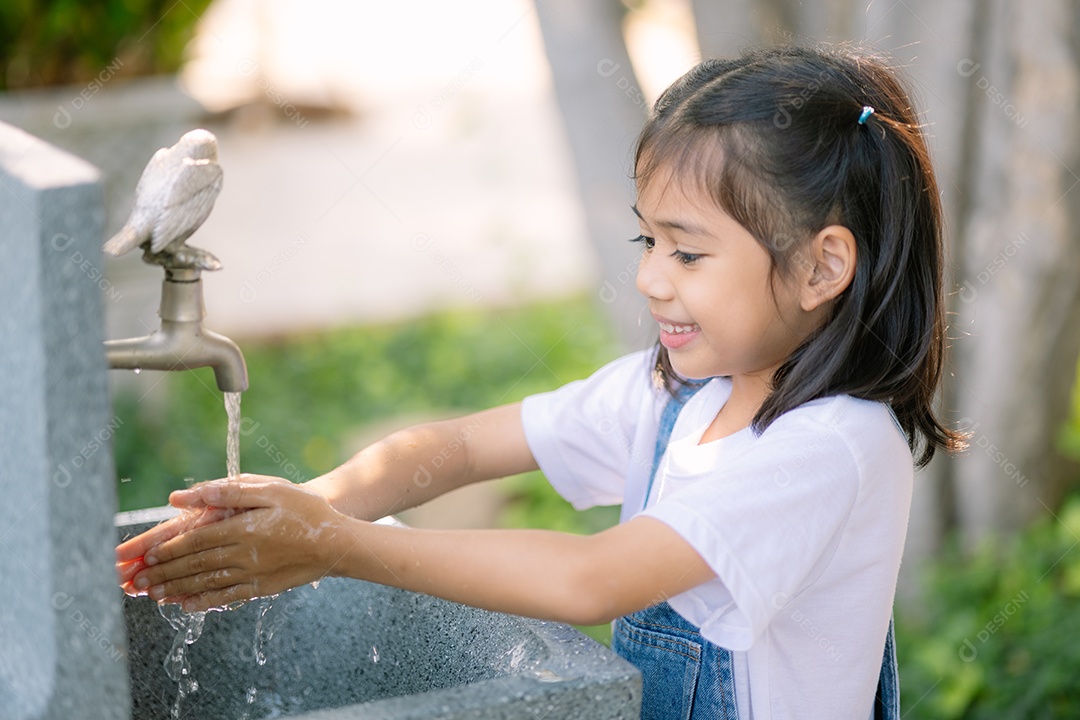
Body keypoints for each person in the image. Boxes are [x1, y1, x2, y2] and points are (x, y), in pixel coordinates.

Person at [116, 43, 965, 719]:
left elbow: (590, 580)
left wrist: (333, 546)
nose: (651, 280)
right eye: (648, 244)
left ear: (823, 267)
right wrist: (311, 505)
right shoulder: (676, 394)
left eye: (689, 251)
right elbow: (451, 447)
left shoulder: (831, 449)